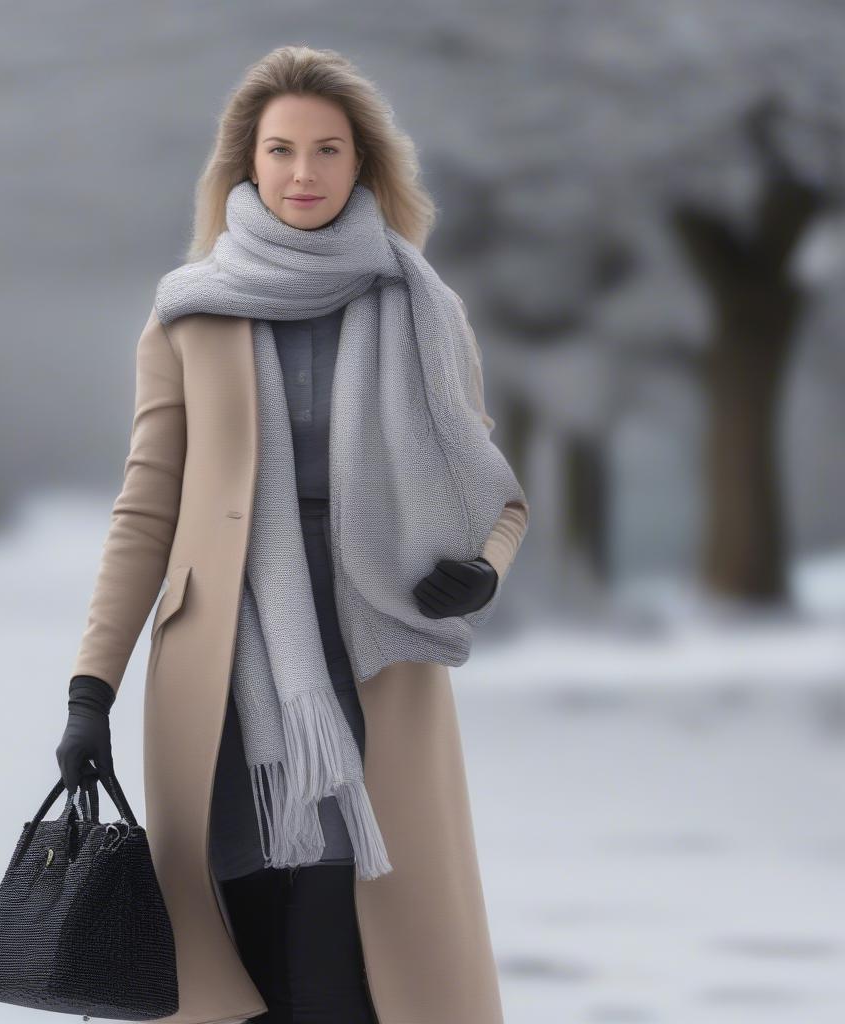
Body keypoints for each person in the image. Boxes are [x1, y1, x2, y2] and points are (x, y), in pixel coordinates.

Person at [58, 45, 528, 1024]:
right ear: (246, 163)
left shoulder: (422, 310)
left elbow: (497, 496)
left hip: (374, 658)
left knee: (357, 925)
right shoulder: (188, 314)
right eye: (281, 150)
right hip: (223, 668)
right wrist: (88, 689)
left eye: (327, 150)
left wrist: (483, 570)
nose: (303, 174)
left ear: (363, 166)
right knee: (241, 921)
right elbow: (147, 509)